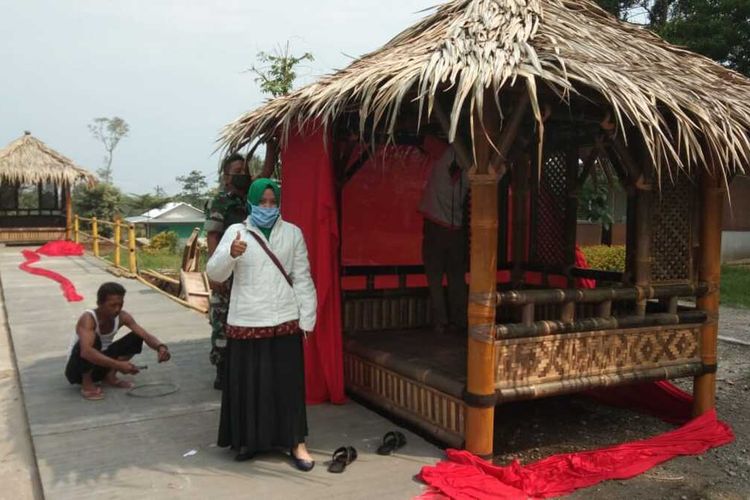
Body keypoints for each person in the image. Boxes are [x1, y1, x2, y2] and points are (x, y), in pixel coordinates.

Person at [206, 178, 318, 471]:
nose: (268, 207)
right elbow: (214, 273)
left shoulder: (293, 234)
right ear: (251, 203)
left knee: (288, 387)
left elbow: (303, 277)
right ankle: (248, 442)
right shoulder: (236, 232)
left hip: (285, 319)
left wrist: (307, 318)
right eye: (262, 202)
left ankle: (297, 443)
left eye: (273, 201)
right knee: (250, 386)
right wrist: (231, 253)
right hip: (247, 320)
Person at [65, 282, 171, 400]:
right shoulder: (88, 318)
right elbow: (86, 352)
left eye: (120, 305)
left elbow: (145, 335)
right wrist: (119, 365)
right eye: (112, 305)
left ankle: (109, 376)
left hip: (101, 364)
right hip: (77, 371)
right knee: (93, 341)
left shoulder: (122, 316)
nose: (117, 309)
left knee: (136, 337)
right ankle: (87, 384)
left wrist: (161, 347)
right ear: (100, 303)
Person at [204, 153, 252, 390]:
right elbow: (212, 235)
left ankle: (241, 367)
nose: (243, 175)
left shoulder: (251, 200)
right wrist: (215, 273)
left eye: (245, 170)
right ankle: (221, 369)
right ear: (226, 176)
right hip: (226, 268)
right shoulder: (220, 201)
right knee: (221, 320)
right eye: (237, 171)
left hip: (247, 271)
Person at [419, 145, 469, 334]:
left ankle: (440, 322)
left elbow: (422, 139)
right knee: (457, 279)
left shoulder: (442, 151)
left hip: (435, 227)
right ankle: (460, 320)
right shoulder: (473, 167)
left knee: (434, 278)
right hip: (456, 230)